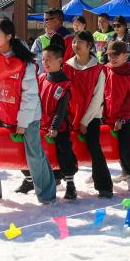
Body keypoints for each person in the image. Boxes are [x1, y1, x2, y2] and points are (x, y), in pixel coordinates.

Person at [0, 18, 56, 205]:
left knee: (34, 155)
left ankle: (47, 194)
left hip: (28, 117)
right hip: (4, 114)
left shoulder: (24, 63)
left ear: (9, 36)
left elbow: (30, 95)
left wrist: (22, 122)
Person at [65, 30, 113, 198]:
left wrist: (84, 121)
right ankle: (64, 182)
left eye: (79, 42)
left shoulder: (98, 69)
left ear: (89, 45)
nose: (75, 45)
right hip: (70, 115)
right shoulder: (67, 66)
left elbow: (98, 98)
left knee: (94, 146)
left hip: (91, 117)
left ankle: (104, 185)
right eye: (74, 42)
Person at [39, 42, 77, 200]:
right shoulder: (41, 78)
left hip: (59, 127)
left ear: (60, 60)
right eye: (43, 60)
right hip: (42, 125)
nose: (45, 63)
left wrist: (54, 127)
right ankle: (46, 178)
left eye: (49, 59)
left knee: (64, 151)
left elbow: (61, 109)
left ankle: (71, 185)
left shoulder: (65, 83)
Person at [103, 40, 130, 192]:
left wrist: (122, 118)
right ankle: (122, 172)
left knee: (126, 146)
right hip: (108, 116)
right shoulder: (105, 70)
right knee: (111, 146)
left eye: (116, 55)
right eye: (110, 55)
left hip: (124, 118)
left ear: (125, 56)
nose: (112, 58)